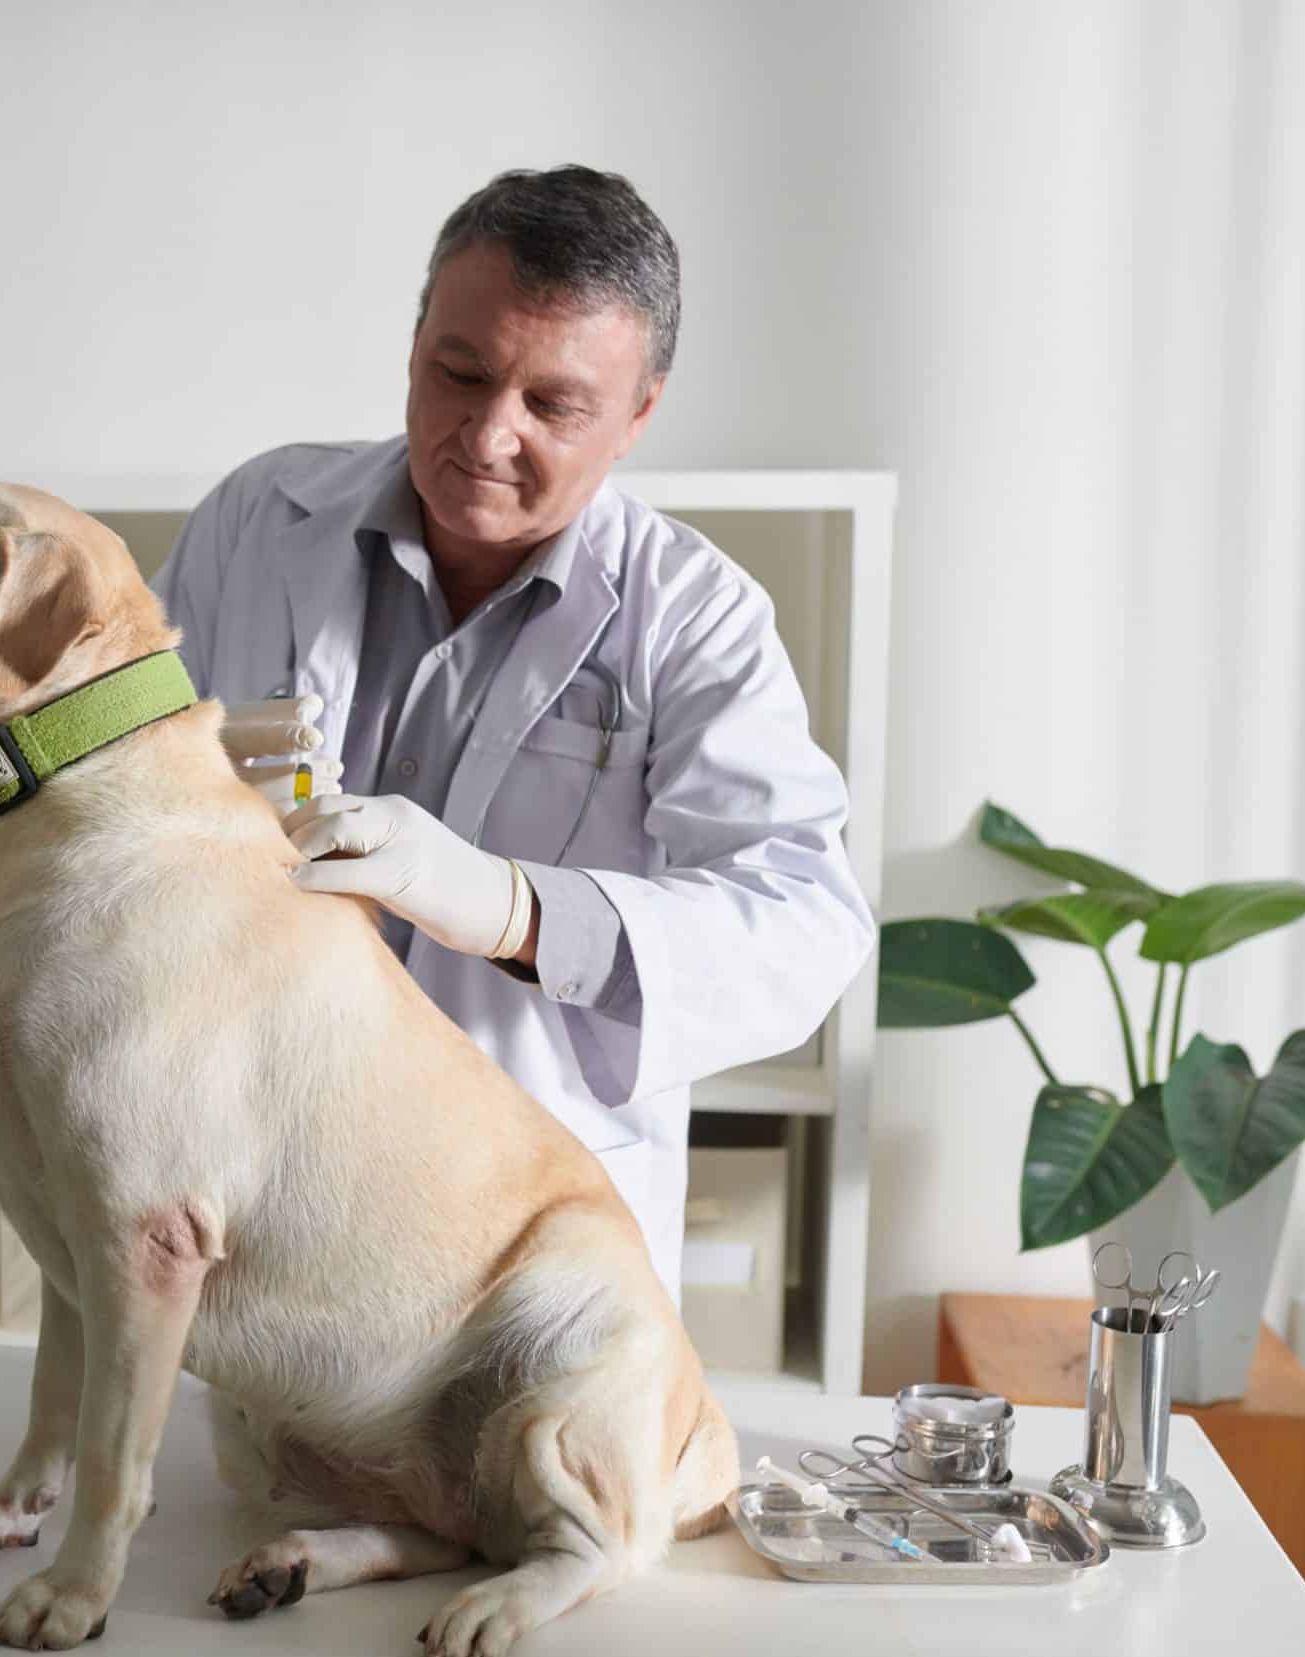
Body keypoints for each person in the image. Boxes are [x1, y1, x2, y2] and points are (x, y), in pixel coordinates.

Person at [155, 165, 874, 1301]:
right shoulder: (261, 520)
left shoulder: (693, 617)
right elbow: (140, 772)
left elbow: (801, 928)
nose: (488, 435)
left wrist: (510, 907)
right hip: (255, 1178)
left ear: (639, 413)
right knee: (255, 1484)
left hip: (515, 1232)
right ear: (413, 349)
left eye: (553, 406)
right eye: (461, 373)